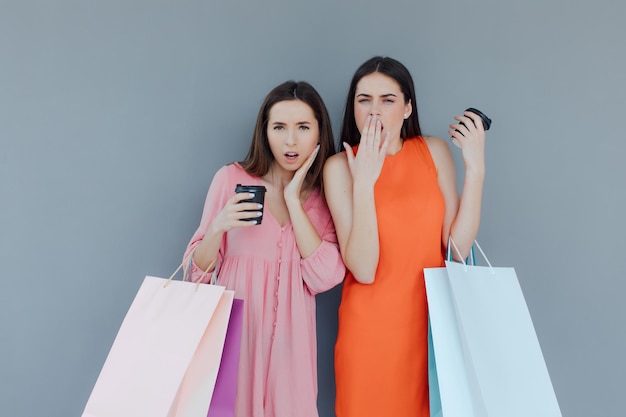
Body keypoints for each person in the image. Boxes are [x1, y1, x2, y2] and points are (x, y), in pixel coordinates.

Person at [323, 56, 487, 417]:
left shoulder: (433, 151)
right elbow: (364, 269)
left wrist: (475, 168)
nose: (374, 111)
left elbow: (457, 250)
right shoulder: (339, 169)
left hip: (431, 331)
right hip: (369, 336)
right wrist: (364, 181)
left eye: (388, 99)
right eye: (364, 99)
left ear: (408, 107)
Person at [183, 81, 345, 417]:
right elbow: (195, 274)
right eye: (279, 127)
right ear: (264, 132)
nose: (290, 140)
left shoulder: (323, 197)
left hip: (293, 354)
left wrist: (293, 202)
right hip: (237, 346)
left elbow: (325, 277)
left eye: (303, 127)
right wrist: (218, 226)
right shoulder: (230, 179)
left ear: (319, 132)